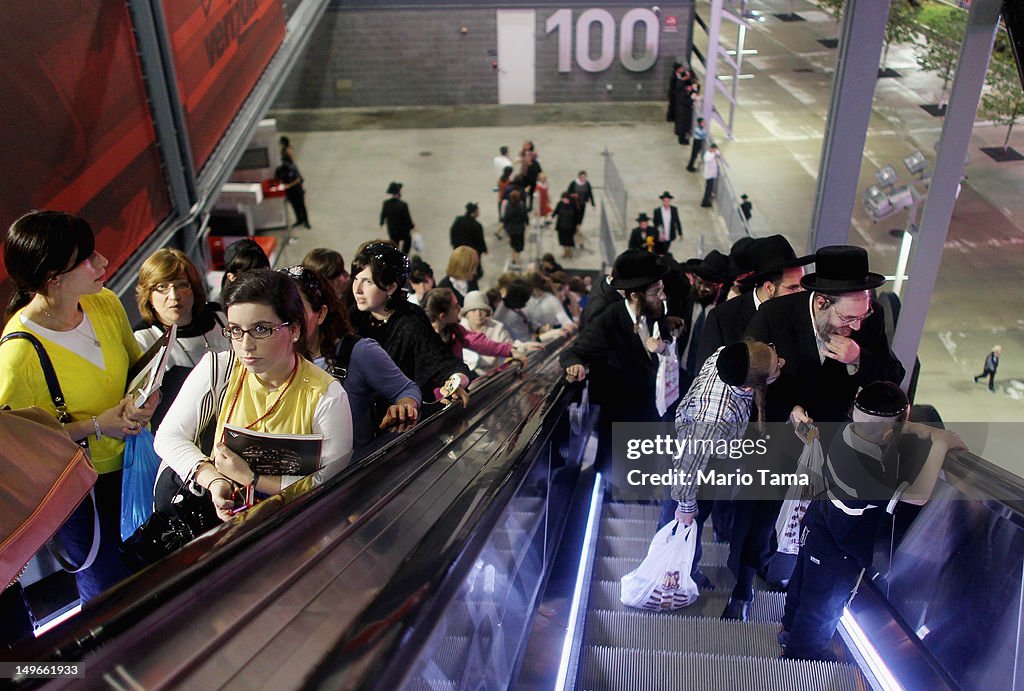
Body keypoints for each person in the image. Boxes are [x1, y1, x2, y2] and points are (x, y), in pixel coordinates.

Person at [722, 245, 906, 621]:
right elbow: (752, 378)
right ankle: (742, 586)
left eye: (862, 316)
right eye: (848, 318)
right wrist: (789, 408)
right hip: (777, 433)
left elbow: (893, 374)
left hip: (830, 441)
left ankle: (792, 589)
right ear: (821, 302)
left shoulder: (867, 320)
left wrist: (858, 358)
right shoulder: (775, 315)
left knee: (813, 522)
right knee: (758, 515)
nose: (856, 325)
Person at [0, 211, 156, 602]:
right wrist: (96, 426)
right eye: (87, 257)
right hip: (82, 492)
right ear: (53, 278)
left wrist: (146, 399)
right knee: (109, 596)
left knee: (155, 572)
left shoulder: (104, 303)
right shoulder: (18, 354)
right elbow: (17, 449)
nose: (103, 261)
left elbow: (135, 368)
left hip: (137, 465)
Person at [780, 382, 967, 661]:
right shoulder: (865, 471)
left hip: (819, 521)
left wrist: (914, 428)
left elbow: (882, 428)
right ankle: (802, 654)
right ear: (891, 432)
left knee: (805, 582)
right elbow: (918, 496)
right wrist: (940, 444)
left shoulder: (845, 430)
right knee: (824, 602)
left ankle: (788, 629)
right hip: (840, 545)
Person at [153, 269, 353, 522]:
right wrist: (213, 480)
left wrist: (252, 478)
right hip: (217, 524)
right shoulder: (219, 369)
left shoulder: (325, 395)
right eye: (236, 330)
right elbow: (168, 436)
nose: (246, 345)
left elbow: (329, 481)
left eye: (261, 329)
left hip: (293, 527)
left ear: (294, 329)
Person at [661, 340, 785, 591]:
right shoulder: (716, 416)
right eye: (776, 369)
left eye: (774, 352)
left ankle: (683, 569)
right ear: (750, 387)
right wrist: (686, 506)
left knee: (688, 521)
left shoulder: (727, 355)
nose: (782, 362)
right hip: (694, 467)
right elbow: (688, 465)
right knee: (682, 524)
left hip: (701, 450)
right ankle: (673, 580)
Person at [279, 265, 420, 449]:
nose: (286, 321)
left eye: (296, 311)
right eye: (278, 312)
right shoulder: (271, 359)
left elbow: (406, 389)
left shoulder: (359, 352)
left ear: (320, 314)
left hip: (354, 465)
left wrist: (404, 406)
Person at [561, 251, 669, 475]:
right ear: (635, 296)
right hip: (623, 424)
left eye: (661, 289)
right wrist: (575, 363)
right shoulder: (609, 319)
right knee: (619, 479)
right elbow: (574, 351)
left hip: (648, 419)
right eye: (656, 292)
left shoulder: (651, 313)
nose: (663, 296)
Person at [347, 242, 471, 405]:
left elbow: (440, 362)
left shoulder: (410, 320)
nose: (357, 289)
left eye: (368, 282)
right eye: (356, 279)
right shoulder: (354, 315)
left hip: (401, 412)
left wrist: (455, 381)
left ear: (391, 287)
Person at [134, 248, 231, 429]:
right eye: (162, 287)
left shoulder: (220, 317)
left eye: (181, 285)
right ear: (149, 295)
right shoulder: (144, 339)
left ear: (194, 288)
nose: (174, 296)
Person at [423, 287, 529, 369]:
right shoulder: (423, 339)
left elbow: (479, 342)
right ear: (443, 316)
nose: (460, 308)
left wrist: (510, 350)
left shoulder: (455, 329)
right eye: (455, 307)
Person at [449, 203, 487, 279]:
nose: (479, 213)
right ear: (474, 213)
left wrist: (454, 244)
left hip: (459, 248)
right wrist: (483, 249)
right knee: (473, 264)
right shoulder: (476, 225)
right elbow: (480, 240)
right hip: (472, 250)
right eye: (477, 211)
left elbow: (452, 231)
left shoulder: (458, 220)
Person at [275, 154, 310, 229]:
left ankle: (306, 221)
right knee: (295, 207)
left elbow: (299, 179)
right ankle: (299, 220)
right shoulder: (279, 170)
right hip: (289, 192)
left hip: (297, 190)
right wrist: (282, 183)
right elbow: (278, 179)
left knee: (302, 207)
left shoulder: (293, 168)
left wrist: (289, 185)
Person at [380, 181, 414, 254]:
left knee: (394, 244)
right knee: (408, 240)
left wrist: (381, 222)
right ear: (398, 193)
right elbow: (407, 218)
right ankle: (404, 254)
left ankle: (396, 255)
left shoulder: (386, 204)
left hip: (392, 230)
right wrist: (412, 226)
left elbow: (382, 216)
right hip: (403, 231)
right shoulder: (403, 205)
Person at [502, 189, 529, 266]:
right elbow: (525, 216)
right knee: (518, 247)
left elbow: (506, 218)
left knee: (513, 245)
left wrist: (505, 227)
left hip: (511, 229)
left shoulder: (508, 206)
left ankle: (514, 259)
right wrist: (527, 222)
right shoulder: (521, 205)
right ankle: (518, 262)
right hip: (520, 229)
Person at [552, 191, 578, 258]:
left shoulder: (572, 205)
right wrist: (552, 216)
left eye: (565, 198)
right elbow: (556, 211)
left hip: (570, 226)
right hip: (561, 226)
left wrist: (576, 225)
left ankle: (569, 252)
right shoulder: (560, 204)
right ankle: (565, 252)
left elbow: (576, 215)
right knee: (562, 240)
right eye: (563, 198)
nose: (564, 200)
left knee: (569, 240)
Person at [701, 143, 720, 208]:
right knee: (708, 189)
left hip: (711, 174)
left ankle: (706, 200)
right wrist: (714, 153)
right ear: (711, 148)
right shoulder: (708, 154)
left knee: (709, 188)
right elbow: (707, 159)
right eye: (714, 149)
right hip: (709, 175)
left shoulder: (712, 153)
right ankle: (705, 202)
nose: (715, 150)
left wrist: (715, 152)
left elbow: (718, 153)